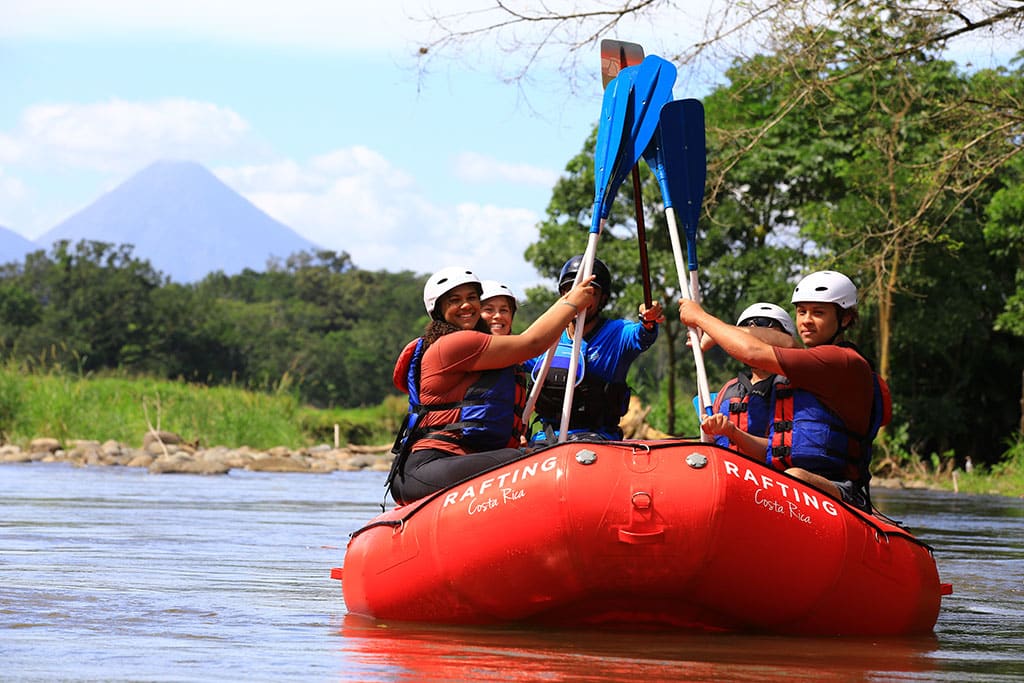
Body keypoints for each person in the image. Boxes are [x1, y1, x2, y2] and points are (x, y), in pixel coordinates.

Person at [679, 271, 891, 511]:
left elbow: (753, 352)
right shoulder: (807, 363)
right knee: (784, 477)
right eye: (802, 312)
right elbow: (785, 342)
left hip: (839, 490)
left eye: (818, 313)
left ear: (844, 319)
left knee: (794, 477)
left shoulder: (840, 361)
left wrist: (702, 318)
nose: (806, 321)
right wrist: (732, 432)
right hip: (784, 482)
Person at [387, 265, 598, 504]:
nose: (466, 305)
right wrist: (572, 304)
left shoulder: (481, 349)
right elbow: (532, 342)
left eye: (472, 298)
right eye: (455, 300)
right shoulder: (454, 344)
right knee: (532, 458)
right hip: (428, 466)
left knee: (530, 450)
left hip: (456, 461)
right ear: (439, 309)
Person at [524, 254, 664, 443]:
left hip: (599, 440)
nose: (580, 299)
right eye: (572, 291)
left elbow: (642, 335)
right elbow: (514, 356)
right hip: (547, 439)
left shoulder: (619, 333)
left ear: (603, 300)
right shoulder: (547, 335)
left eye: (590, 293)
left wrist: (648, 319)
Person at [707, 303, 797, 450]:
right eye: (746, 326)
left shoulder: (796, 383)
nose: (752, 330)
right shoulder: (728, 389)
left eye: (762, 324)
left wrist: (733, 433)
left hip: (774, 471)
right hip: (728, 469)